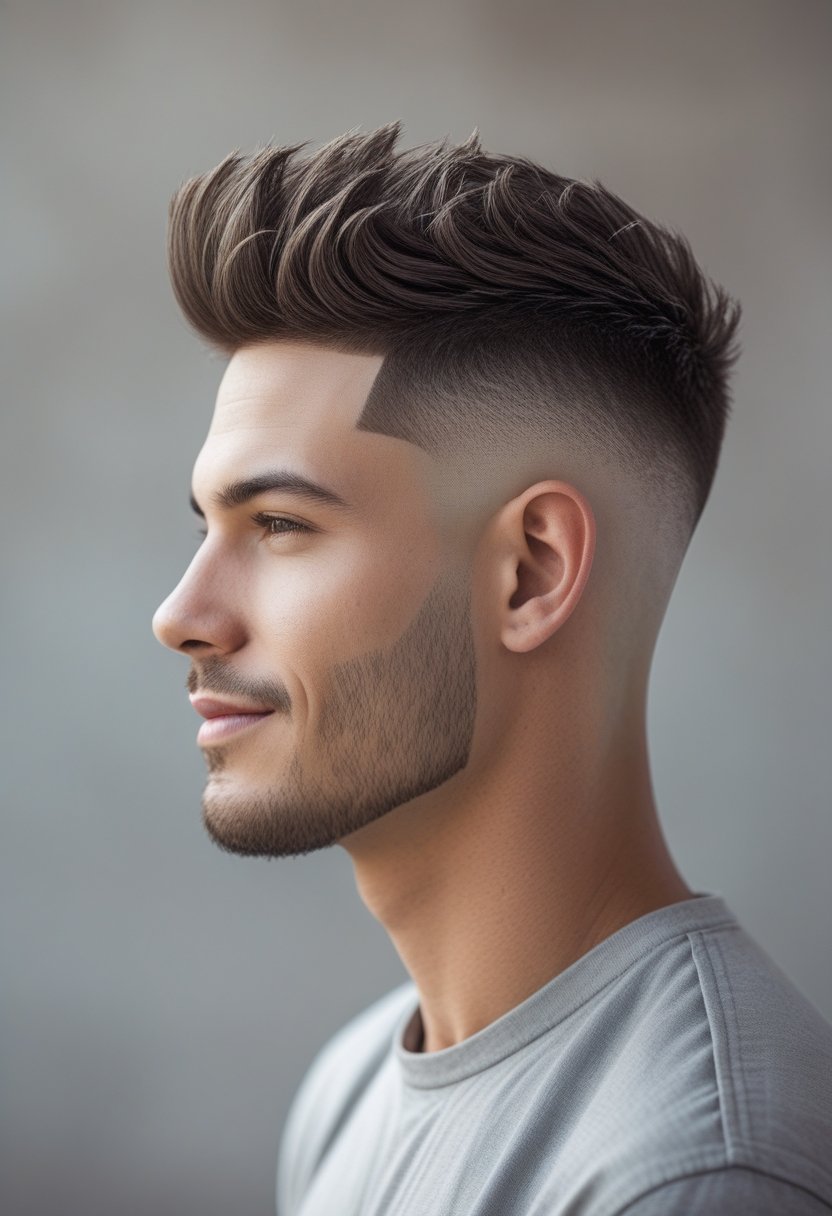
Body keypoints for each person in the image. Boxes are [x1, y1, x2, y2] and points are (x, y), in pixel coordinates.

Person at [151, 121, 832, 1215]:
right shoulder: (349, 1091)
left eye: (278, 524)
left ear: (528, 572)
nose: (180, 615)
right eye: (204, 528)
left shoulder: (694, 1174)